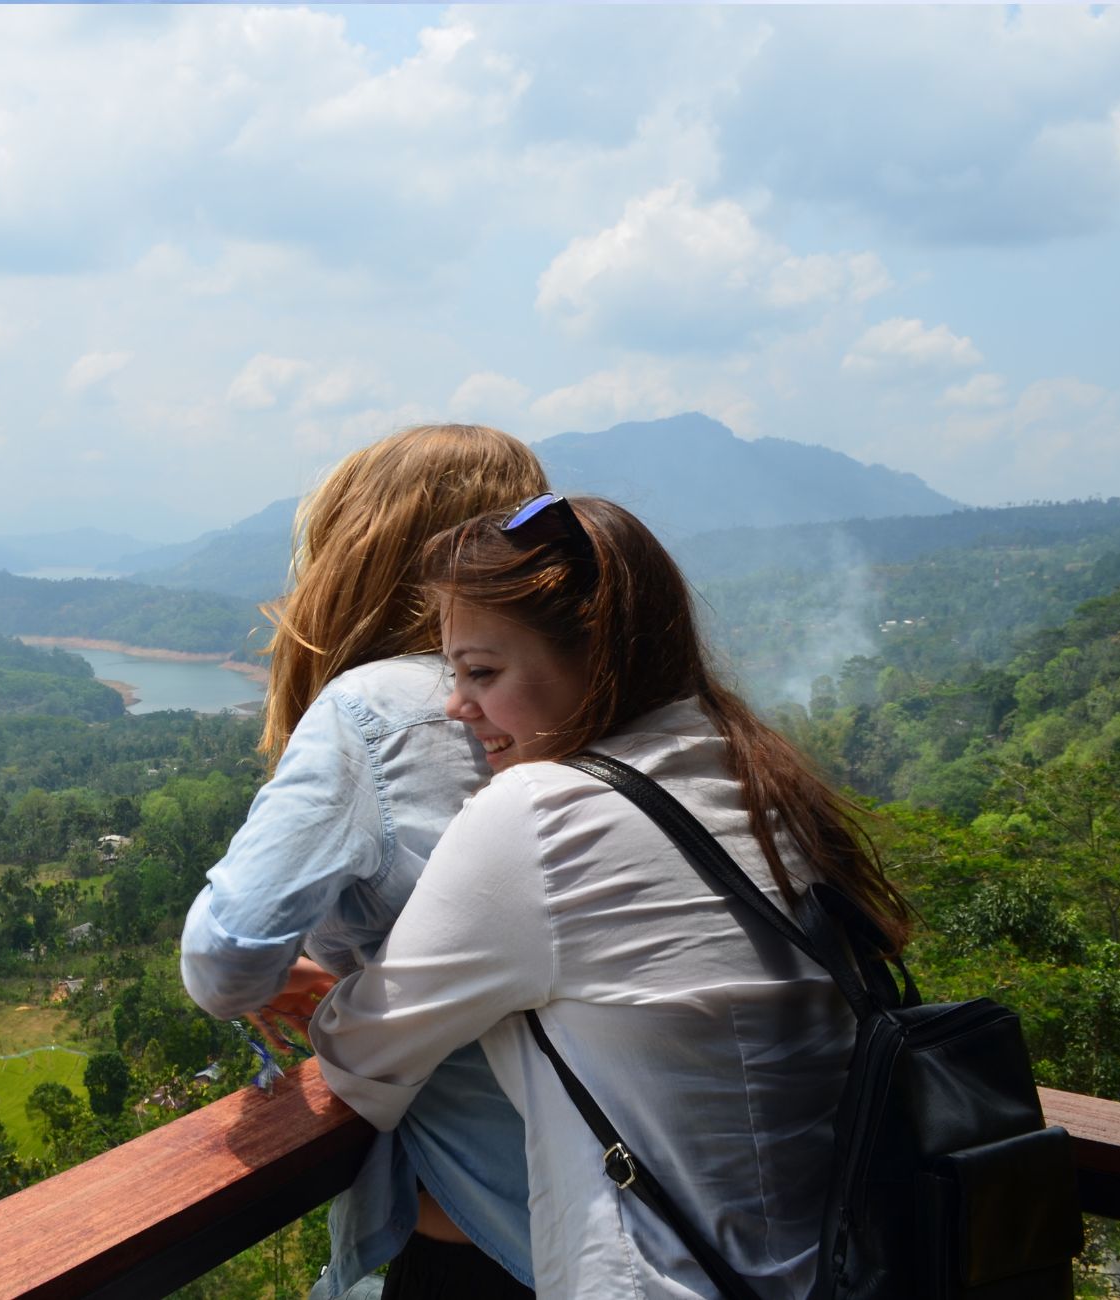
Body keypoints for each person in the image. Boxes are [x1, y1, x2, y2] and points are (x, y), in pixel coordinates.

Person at [310, 496, 912, 1299]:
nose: (459, 706)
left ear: (597, 654)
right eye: (454, 674)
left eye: (482, 672)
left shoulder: (542, 815)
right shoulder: (757, 777)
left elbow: (362, 1056)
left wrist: (322, 981)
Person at [180, 423, 547, 1299]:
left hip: (487, 1238)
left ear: (357, 559)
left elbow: (225, 956)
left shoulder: (378, 708)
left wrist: (315, 986)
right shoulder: (574, 692)